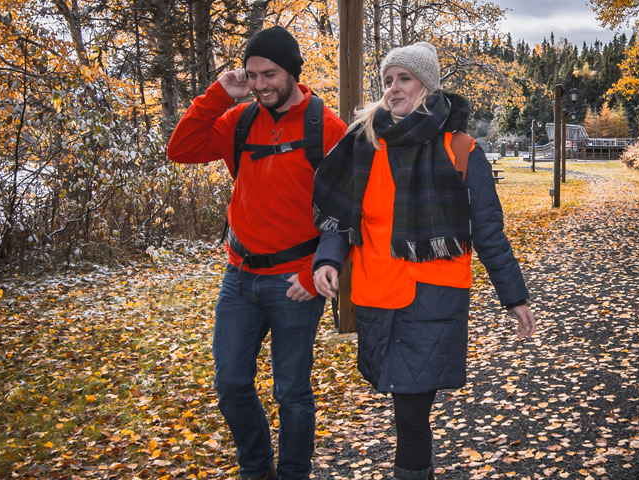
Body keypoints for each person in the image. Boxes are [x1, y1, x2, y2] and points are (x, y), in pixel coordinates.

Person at [310, 41, 539, 480]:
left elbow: (488, 230)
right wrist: (328, 261)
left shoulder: (460, 149)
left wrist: (515, 298)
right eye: (388, 80)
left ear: (427, 86)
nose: (393, 89)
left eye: (404, 79)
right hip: (377, 296)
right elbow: (341, 219)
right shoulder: (364, 142)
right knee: (404, 409)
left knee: (411, 414)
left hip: (432, 300)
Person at [165, 26, 346, 480]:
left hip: (295, 283)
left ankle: (292, 473)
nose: (261, 84)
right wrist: (219, 94)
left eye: (270, 74)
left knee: (291, 390)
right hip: (239, 278)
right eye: (252, 75)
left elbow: (349, 212)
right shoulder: (239, 121)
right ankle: (256, 469)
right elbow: (180, 149)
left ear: (292, 71)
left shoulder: (326, 126)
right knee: (229, 385)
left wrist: (315, 273)